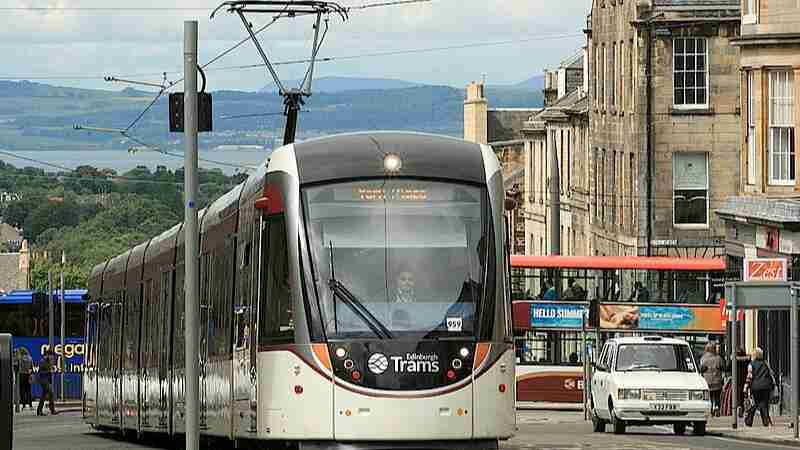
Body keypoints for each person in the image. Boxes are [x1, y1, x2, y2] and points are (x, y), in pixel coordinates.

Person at [744, 347, 774, 427]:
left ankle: (749, 421)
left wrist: (746, 386)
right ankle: (766, 421)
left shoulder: (751, 364)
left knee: (755, 404)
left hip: (756, 386)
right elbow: (771, 373)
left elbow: (749, 376)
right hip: (766, 386)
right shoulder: (765, 363)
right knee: (764, 404)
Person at [700, 342, 724, 416]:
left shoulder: (703, 358)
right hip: (717, 381)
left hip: (707, 381)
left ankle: (711, 409)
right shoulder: (718, 358)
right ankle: (717, 407)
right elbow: (722, 367)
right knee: (717, 396)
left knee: (710, 396)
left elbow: (701, 369)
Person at [37, 349, 57, 416]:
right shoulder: (42, 361)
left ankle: (39, 411)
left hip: (47, 380)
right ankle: (52, 410)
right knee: (51, 393)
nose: (52, 358)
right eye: (51, 356)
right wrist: (49, 371)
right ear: (48, 355)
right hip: (43, 380)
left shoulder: (49, 361)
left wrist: (51, 370)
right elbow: (40, 372)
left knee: (43, 396)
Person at [734, 348, 750, 417]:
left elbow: (727, 368)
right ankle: (744, 409)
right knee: (745, 395)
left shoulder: (734, 361)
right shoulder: (747, 361)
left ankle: (739, 406)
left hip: (736, 381)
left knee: (737, 395)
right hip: (745, 380)